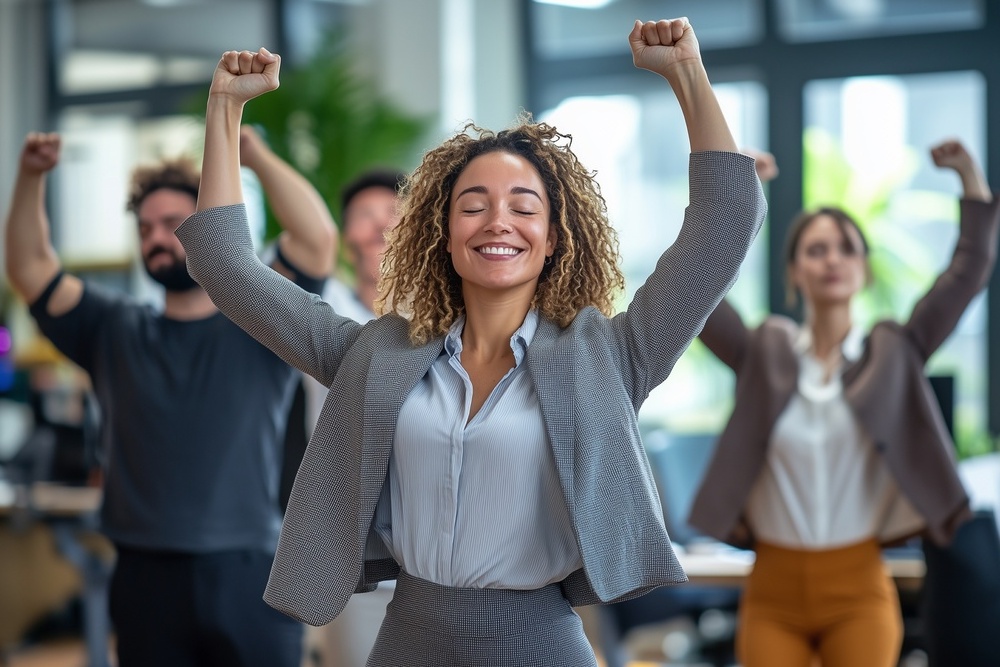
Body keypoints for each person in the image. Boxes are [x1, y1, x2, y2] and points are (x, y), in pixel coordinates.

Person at [176, 17, 767, 666]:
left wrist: (687, 73)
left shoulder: (609, 354)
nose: (498, 221)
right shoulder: (378, 355)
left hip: (538, 641)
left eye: (523, 204)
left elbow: (724, 224)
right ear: (444, 232)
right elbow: (226, 268)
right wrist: (225, 110)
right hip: (409, 637)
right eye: (474, 203)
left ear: (553, 236)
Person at [3, 129, 336, 667]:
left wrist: (255, 156)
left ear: (207, 230)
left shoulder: (264, 318)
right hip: (145, 576)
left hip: (252, 571)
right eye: (146, 227)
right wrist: (30, 177)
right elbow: (30, 269)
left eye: (174, 225)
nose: (158, 237)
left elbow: (317, 240)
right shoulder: (113, 327)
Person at [688, 139, 999, 667]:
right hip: (772, 592)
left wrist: (970, 177)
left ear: (865, 269)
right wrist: (737, 199)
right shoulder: (765, 351)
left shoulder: (895, 350)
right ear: (794, 272)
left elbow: (966, 275)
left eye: (846, 248)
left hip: (858, 589)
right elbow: (696, 289)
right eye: (815, 249)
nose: (832, 259)